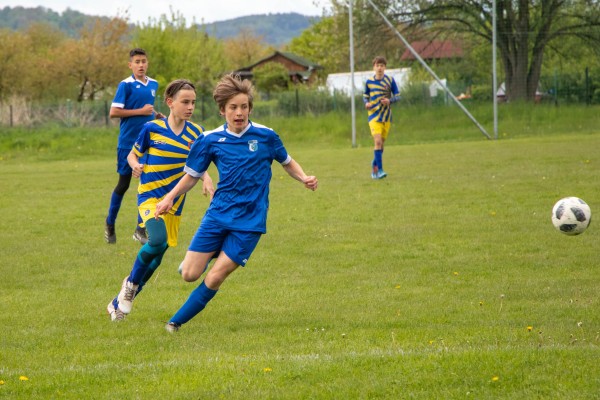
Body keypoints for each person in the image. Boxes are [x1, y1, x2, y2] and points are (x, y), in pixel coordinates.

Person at [154, 73, 318, 333]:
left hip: (250, 221)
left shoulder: (266, 136)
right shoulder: (210, 139)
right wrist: (169, 198)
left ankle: (175, 323)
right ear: (222, 110)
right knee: (189, 274)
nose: (239, 112)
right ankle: (216, 250)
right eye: (233, 107)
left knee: (215, 276)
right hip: (218, 215)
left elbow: (287, 162)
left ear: (250, 108)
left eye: (244, 106)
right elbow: (192, 176)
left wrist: (304, 178)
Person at [107, 79, 214, 321]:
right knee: (156, 240)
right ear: (170, 102)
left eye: (193, 102)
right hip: (149, 196)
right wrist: (135, 165)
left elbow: (198, 163)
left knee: (156, 258)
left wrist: (206, 178)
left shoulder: (197, 133)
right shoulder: (151, 128)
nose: (190, 107)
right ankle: (130, 285)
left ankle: (118, 302)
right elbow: (133, 155)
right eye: (185, 102)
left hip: (174, 203)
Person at [104, 48, 165, 245]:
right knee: (123, 185)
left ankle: (140, 229)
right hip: (127, 144)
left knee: (147, 184)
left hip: (147, 143)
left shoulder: (153, 83)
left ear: (148, 63)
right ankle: (110, 223)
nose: (141, 65)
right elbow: (114, 112)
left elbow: (147, 109)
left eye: (143, 61)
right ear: (130, 65)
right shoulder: (126, 85)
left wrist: (156, 115)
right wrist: (141, 111)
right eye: (137, 62)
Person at [363, 55, 401, 180]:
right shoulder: (369, 82)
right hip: (374, 116)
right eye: (377, 65)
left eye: (382, 65)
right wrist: (366, 103)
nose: (379, 68)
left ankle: (374, 164)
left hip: (386, 117)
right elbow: (365, 96)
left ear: (385, 67)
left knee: (381, 145)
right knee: (378, 142)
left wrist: (390, 101)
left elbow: (398, 96)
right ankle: (379, 170)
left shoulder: (390, 80)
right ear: (374, 67)